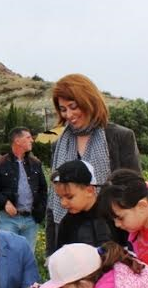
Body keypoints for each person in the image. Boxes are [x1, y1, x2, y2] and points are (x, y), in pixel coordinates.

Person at [46, 74, 141, 255]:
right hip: (70, 238)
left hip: (113, 236)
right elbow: (54, 199)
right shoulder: (58, 145)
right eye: (63, 109)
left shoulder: (120, 137)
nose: (69, 115)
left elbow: (134, 191)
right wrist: (52, 253)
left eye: (73, 107)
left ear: (88, 101)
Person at [0, 126, 48, 253]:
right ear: (17, 141)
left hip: (31, 220)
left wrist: (40, 211)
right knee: (8, 256)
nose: (32, 140)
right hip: (8, 220)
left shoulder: (36, 163)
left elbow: (43, 190)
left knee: (28, 258)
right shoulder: (0, 163)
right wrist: (5, 203)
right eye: (28, 137)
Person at [51, 160, 114, 249]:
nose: (63, 203)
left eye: (69, 197)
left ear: (90, 191)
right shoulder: (66, 224)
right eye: (60, 197)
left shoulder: (113, 216)